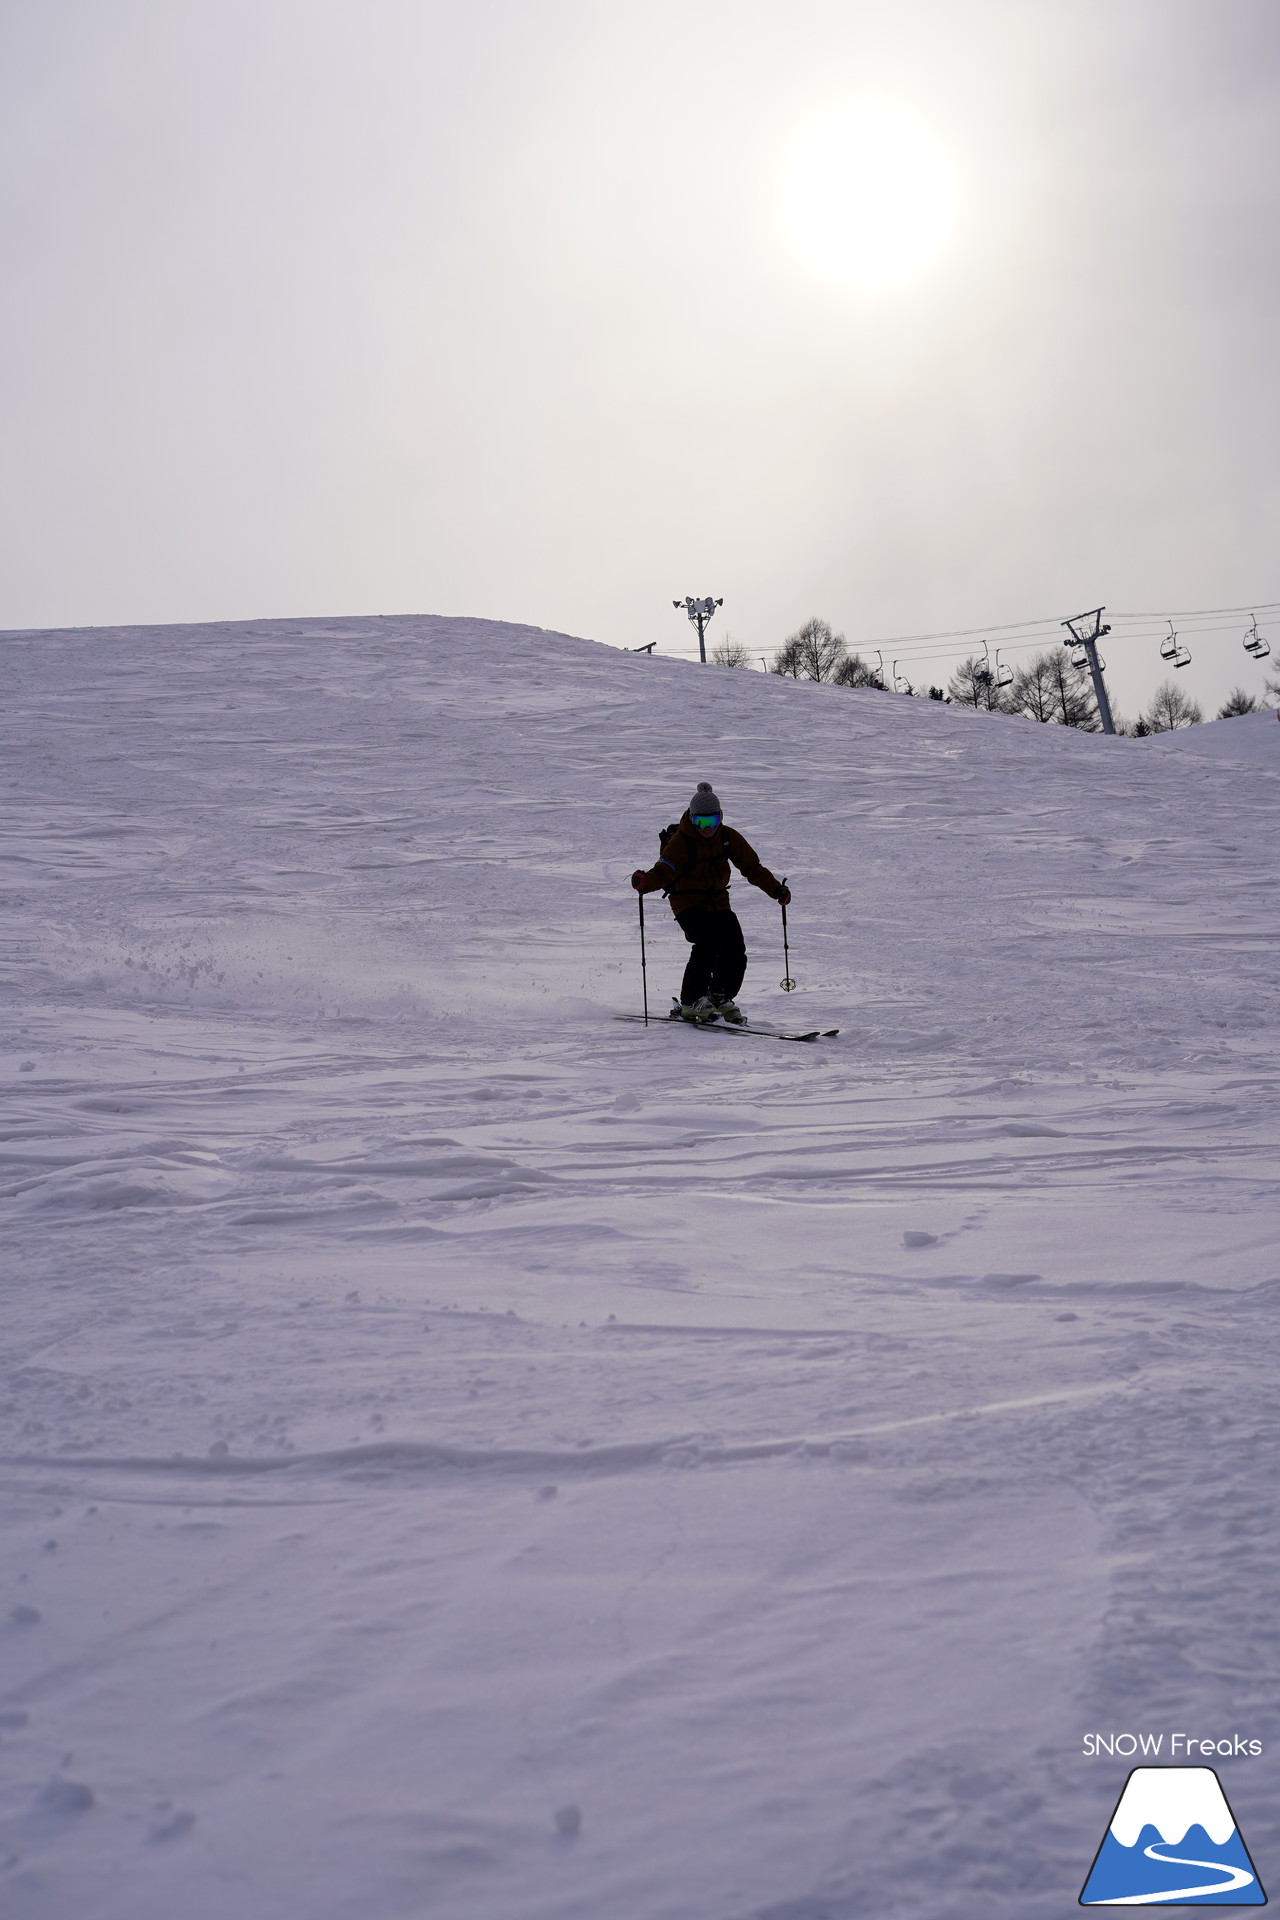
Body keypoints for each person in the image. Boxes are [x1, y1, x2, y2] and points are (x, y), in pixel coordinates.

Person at [630, 780, 791, 1024]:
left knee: (735, 948)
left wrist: (776, 890)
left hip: (718, 901)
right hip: (687, 902)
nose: (707, 828)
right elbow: (663, 871)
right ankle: (691, 1001)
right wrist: (645, 883)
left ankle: (719, 995)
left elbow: (752, 868)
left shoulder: (727, 837)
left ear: (720, 818)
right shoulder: (681, 841)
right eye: (701, 822)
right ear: (692, 819)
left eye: (712, 822)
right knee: (708, 943)